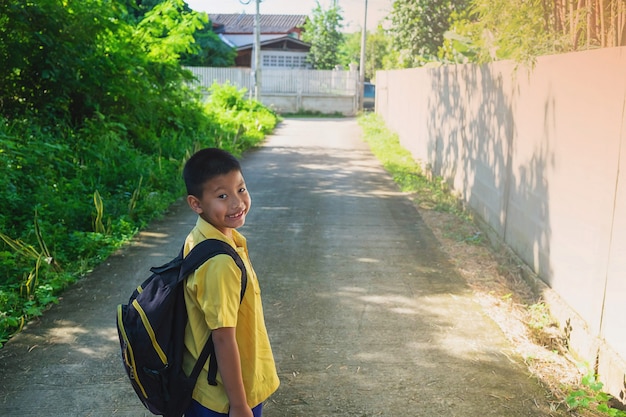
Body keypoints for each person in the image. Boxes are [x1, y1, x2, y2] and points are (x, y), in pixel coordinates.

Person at [181, 148, 279, 417]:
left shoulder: (203, 238)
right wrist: (238, 405)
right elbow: (223, 338)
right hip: (225, 397)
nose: (237, 203)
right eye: (222, 196)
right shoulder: (220, 262)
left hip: (210, 386)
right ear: (196, 203)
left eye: (241, 189)